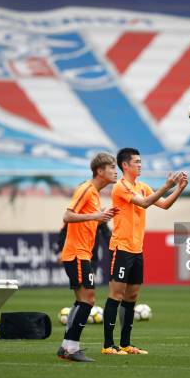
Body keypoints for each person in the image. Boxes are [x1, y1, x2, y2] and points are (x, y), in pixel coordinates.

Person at [102, 148, 188, 355]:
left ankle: (125, 344)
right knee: (116, 295)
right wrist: (167, 185)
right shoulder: (120, 187)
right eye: (137, 162)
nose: (140, 165)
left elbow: (164, 204)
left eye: (141, 161)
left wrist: (179, 189)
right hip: (121, 248)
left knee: (132, 296)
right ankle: (107, 345)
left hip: (137, 249)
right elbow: (145, 203)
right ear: (125, 165)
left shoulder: (142, 186)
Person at [57, 152, 119, 362]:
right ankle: (70, 348)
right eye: (111, 167)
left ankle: (67, 346)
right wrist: (96, 216)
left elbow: (86, 219)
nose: (115, 170)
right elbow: (67, 216)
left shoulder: (95, 193)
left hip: (82, 254)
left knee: (82, 300)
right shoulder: (86, 189)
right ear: (100, 171)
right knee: (88, 300)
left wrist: (101, 215)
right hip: (77, 254)